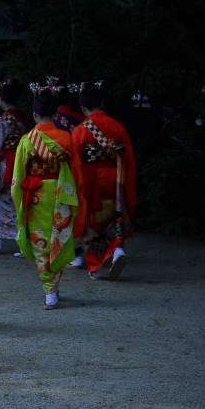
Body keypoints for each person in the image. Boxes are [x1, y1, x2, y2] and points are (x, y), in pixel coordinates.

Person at [12, 86, 85, 309]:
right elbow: (77, 174)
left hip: (37, 196)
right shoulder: (66, 138)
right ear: (55, 114)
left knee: (40, 242)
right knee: (59, 238)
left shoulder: (27, 140)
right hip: (62, 194)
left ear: (34, 114)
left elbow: (18, 177)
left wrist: (19, 200)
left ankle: (49, 291)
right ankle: (53, 287)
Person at [70, 82, 137, 279]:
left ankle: (97, 264)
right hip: (116, 180)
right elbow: (129, 159)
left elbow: (74, 162)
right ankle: (116, 251)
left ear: (82, 108)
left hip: (92, 182)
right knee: (114, 217)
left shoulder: (81, 130)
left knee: (93, 223)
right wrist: (127, 183)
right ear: (102, 102)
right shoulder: (117, 127)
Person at [0, 79, 30, 255]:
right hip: (21, 161)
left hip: (6, 164)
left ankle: (4, 240)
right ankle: (17, 238)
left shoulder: (1, 121)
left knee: (4, 200)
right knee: (18, 200)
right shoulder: (23, 118)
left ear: (1, 99)